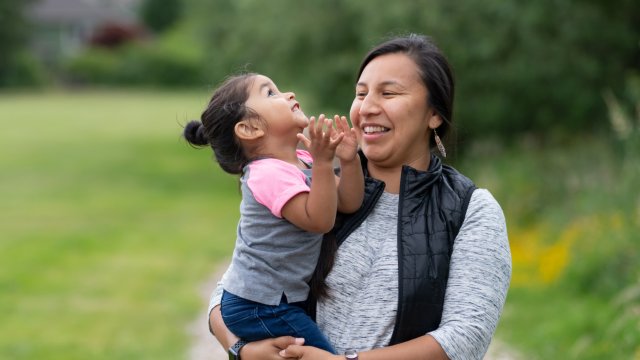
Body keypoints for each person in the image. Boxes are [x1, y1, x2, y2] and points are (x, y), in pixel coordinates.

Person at [209, 34, 512, 360]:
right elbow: (235, 286)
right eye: (361, 93)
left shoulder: (471, 209)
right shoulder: (321, 187)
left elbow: (466, 337)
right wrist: (243, 350)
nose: (367, 107)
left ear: (434, 114)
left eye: (389, 93)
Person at [184, 73, 364, 354]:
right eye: (271, 93)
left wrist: (349, 161)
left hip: (275, 300)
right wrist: (324, 164)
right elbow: (319, 220)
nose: (288, 94)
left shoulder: (303, 160)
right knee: (322, 357)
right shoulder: (266, 173)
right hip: (257, 304)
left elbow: (348, 203)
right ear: (250, 128)